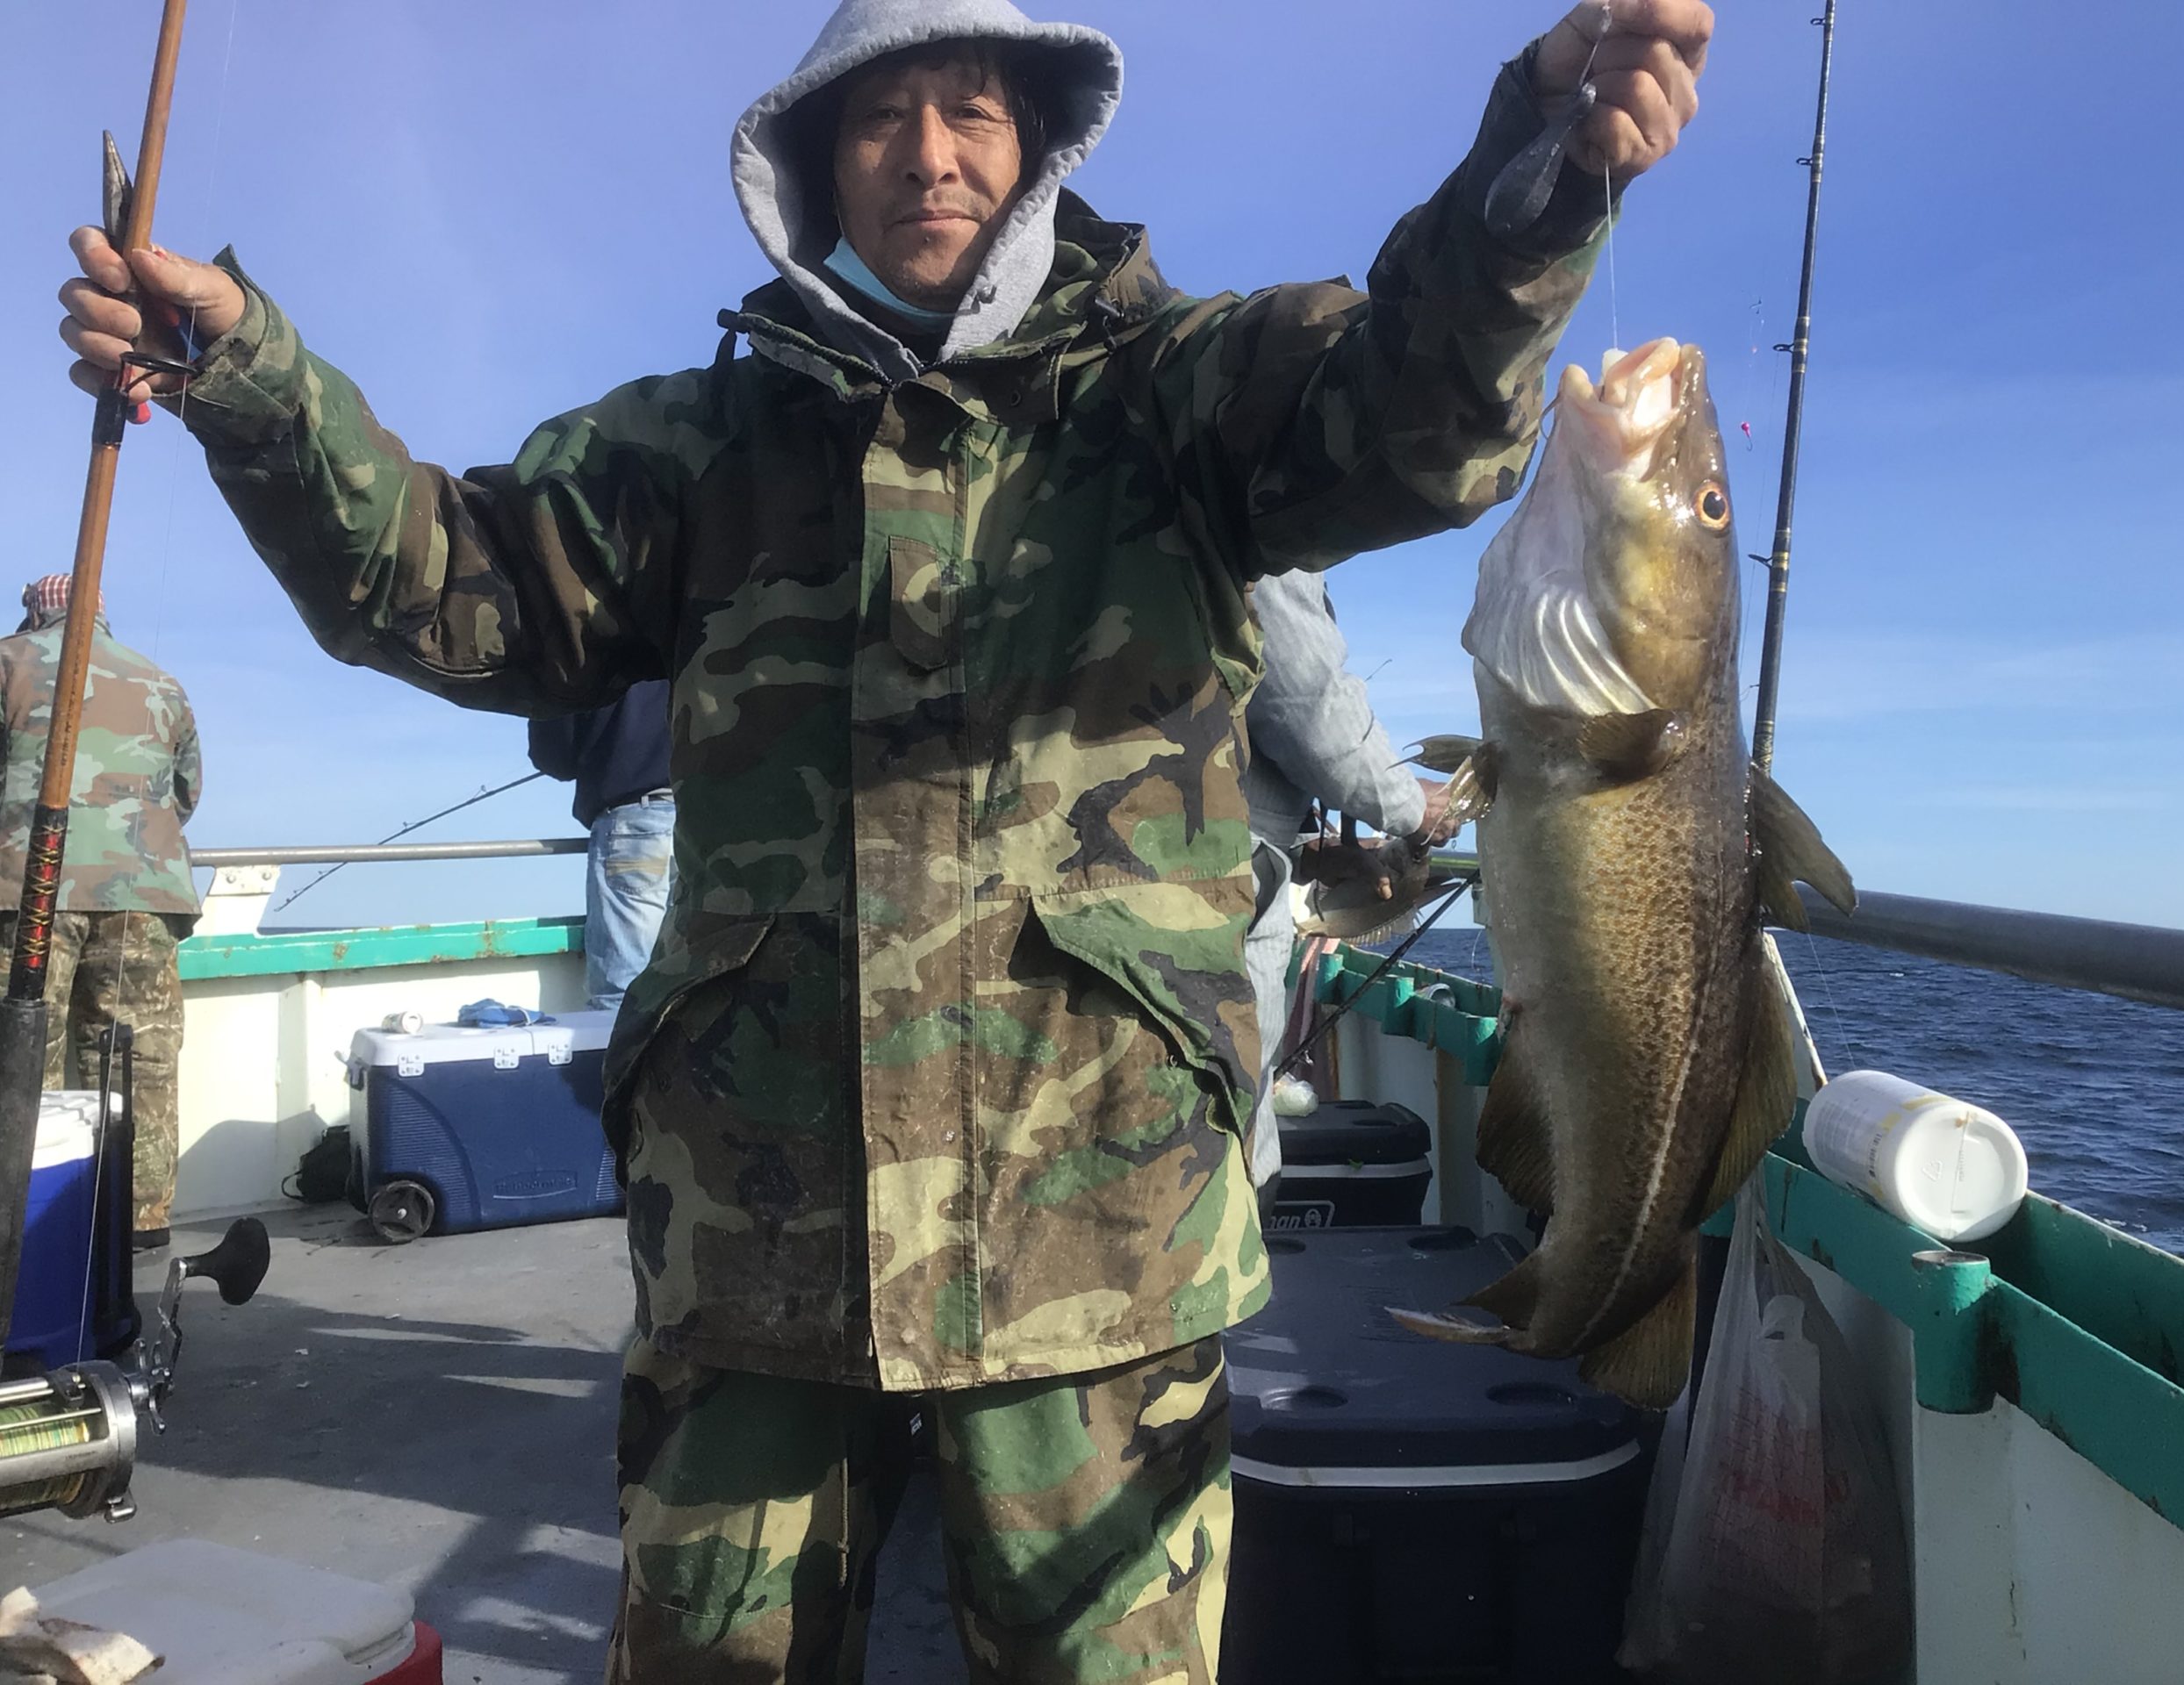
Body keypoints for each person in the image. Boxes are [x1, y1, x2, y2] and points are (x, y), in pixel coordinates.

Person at [57, 0, 1710, 1674]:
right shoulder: (689, 446)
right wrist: (247, 376)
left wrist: (1539, 180)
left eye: (975, 113)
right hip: (750, 1242)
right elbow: (431, 580)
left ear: (1039, 145)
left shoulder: (1180, 393)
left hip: (1102, 1243)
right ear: (812, 164)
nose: (931, 154)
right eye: (881, 120)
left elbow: (1420, 412)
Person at [0, 577, 201, 1253]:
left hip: (28, 889)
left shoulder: (6, 662)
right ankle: (143, 1217)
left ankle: (24, 1215)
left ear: (35, 615)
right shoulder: (163, 683)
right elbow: (186, 791)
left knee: (25, 1053)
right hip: (142, 895)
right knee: (137, 1055)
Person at [1241, 570, 1452, 1206]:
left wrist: (1307, 852)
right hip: (1202, 908)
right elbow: (1305, 704)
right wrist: (1412, 805)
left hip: (1216, 862)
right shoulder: (1256, 508)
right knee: (1221, 1174)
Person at [528, 679, 676, 1011]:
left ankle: (622, 1061)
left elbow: (554, 756)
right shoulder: (697, 632)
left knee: (621, 989)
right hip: (709, 820)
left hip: (635, 823)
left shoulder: (581, 647)